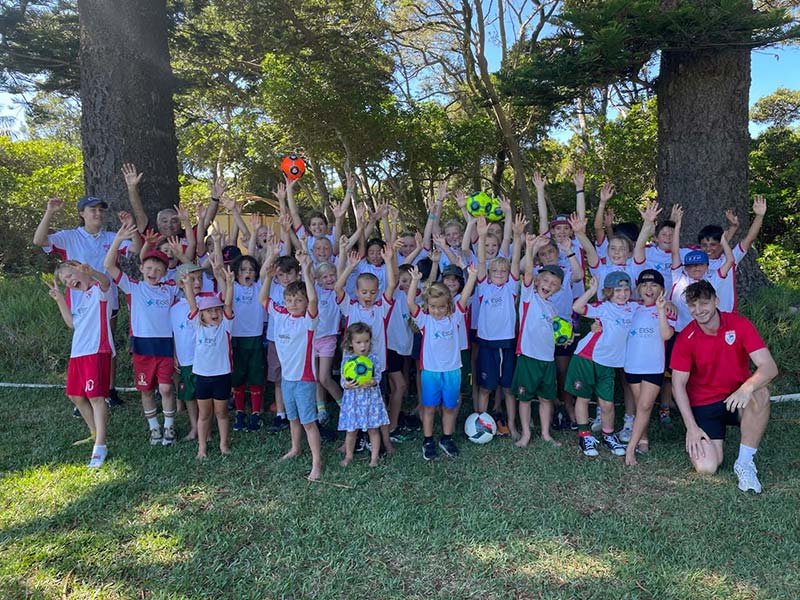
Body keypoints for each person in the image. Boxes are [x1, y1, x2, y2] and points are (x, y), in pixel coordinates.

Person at [33, 195, 142, 408]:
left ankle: (109, 390)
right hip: (80, 304)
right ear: (82, 214)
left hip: (106, 300)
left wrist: (130, 227)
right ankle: (83, 392)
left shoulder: (112, 236)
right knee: (84, 347)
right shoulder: (70, 236)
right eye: (92, 210)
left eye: (101, 210)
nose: (98, 213)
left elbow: (136, 249)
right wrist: (50, 211)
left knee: (108, 346)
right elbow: (39, 240)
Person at [670, 280, 777, 493]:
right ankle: (711, 440)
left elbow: (769, 367)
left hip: (735, 399)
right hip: (704, 404)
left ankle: (745, 462)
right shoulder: (686, 337)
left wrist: (746, 388)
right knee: (707, 467)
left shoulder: (739, 324)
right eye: (693, 305)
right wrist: (691, 427)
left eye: (704, 303)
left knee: (760, 393)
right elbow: (677, 385)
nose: (698, 310)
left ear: (716, 301)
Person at [104, 223, 179, 446]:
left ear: (165, 272)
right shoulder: (133, 287)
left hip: (165, 345)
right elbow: (108, 265)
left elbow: (189, 271)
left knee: (166, 388)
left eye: (158, 269)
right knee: (146, 389)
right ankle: (154, 428)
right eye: (149, 268)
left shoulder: (171, 287)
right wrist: (118, 239)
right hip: (142, 347)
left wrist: (180, 254)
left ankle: (169, 427)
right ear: (142, 269)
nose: (153, 272)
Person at [46, 261, 115, 468]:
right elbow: (72, 324)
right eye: (64, 280)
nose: (68, 281)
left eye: (69, 275)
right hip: (78, 352)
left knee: (96, 397)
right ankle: (95, 433)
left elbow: (105, 281)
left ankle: (100, 446)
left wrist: (92, 271)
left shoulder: (99, 290)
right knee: (75, 395)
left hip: (96, 350)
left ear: (80, 270)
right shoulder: (80, 298)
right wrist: (60, 300)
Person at [262, 250, 323, 481]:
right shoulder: (280, 314)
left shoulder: (308, 321)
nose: (293, 304)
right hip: (287, 379)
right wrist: (268, 277)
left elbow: (314, 299)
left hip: (304, 380)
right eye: (290, 300)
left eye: (299, 300)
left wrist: (306, 270)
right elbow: (263, 300)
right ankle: (295, 448)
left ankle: (316, 462)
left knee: (309, 422)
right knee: (293, 418)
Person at [407, 263, 478, 460]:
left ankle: (447, 438)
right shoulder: (425, 320)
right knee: (429, 407)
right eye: (433, 307)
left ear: (449, 305)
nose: (437, 311)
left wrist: (471, 277)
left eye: (441, 307)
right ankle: (428, 439)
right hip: (431, 371)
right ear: (428, 306)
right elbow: (411, 302)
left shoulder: (455, 317)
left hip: (453, 371)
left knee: (450, 406)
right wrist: (414, 281)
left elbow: (464, 296)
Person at [566, 272, 638, 457]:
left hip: (609, 364)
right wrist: (591, 290)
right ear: (608, 292)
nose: (622, 294)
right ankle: (585, 436)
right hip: (587, 357)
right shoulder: (603, 307)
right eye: (617, 290)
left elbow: (652, 307)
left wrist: (668, 304)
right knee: (583, 398)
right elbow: (577, 307)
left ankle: (608, 434)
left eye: (625, 290)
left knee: (607, 403)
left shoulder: (634, 307)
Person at [511, 235, 569, 448]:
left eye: (554, 284)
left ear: (558, 289)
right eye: (545, 280)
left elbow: (555, 333)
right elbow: (526, 272)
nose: (548, 285)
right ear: (536, 281)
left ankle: (545, 434)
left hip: (548, 360)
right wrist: (531, 247)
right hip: (528, 357)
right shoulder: (528, 297)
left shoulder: (553, 309)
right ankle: (526, 434)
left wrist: (564, 337)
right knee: (525, 398)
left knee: (546, 399)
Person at [623, 269, 676, 466]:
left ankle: (630, 449)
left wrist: (661, 310)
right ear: (637, 289)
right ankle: (643, 438)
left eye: (654, 285)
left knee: (645, 405)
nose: (648, 289)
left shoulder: (668, 309)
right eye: (644, 285)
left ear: (662, 289)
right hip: (632, 365)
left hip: (653, 366)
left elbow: (666, 335)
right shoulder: (630, 307)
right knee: (640, 405)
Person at [182, 264, 235, 459]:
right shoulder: (197, 326)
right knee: (204, 415)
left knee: (221, 413)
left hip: (221, 375)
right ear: (202, 315)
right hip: (203, 376)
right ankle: (202, 448)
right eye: (209, 310)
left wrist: (229, 285)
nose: (214, 313)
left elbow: (228, 305)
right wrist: (188, 284)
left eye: (217, 310)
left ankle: (223, 444)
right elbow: (191, 303)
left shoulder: (225, 326)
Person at [338, 323, 390, 467]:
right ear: (350, 343)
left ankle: (374, 457)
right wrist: (347, 385)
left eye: (366, 341)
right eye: (359, 342)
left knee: (373, 430)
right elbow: (343, 379)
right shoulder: (348, 360)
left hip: (370, 401)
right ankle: (349, 455)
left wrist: (373, 381)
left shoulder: (373, 359)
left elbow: (378, 376)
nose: (363, 346)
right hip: (353, 402)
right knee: (351, 430)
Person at [229, 255, 267, 432]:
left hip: (255, 337)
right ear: (236, 273)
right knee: (237, 377)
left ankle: (256, 413)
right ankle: (239, 412)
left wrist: (272, 254)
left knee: (256, 375)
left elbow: (266, 270)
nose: (248, 273)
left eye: (251, 269)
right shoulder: (233, 288)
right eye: (243, 269)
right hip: (236, 338)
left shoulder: (259, 287)